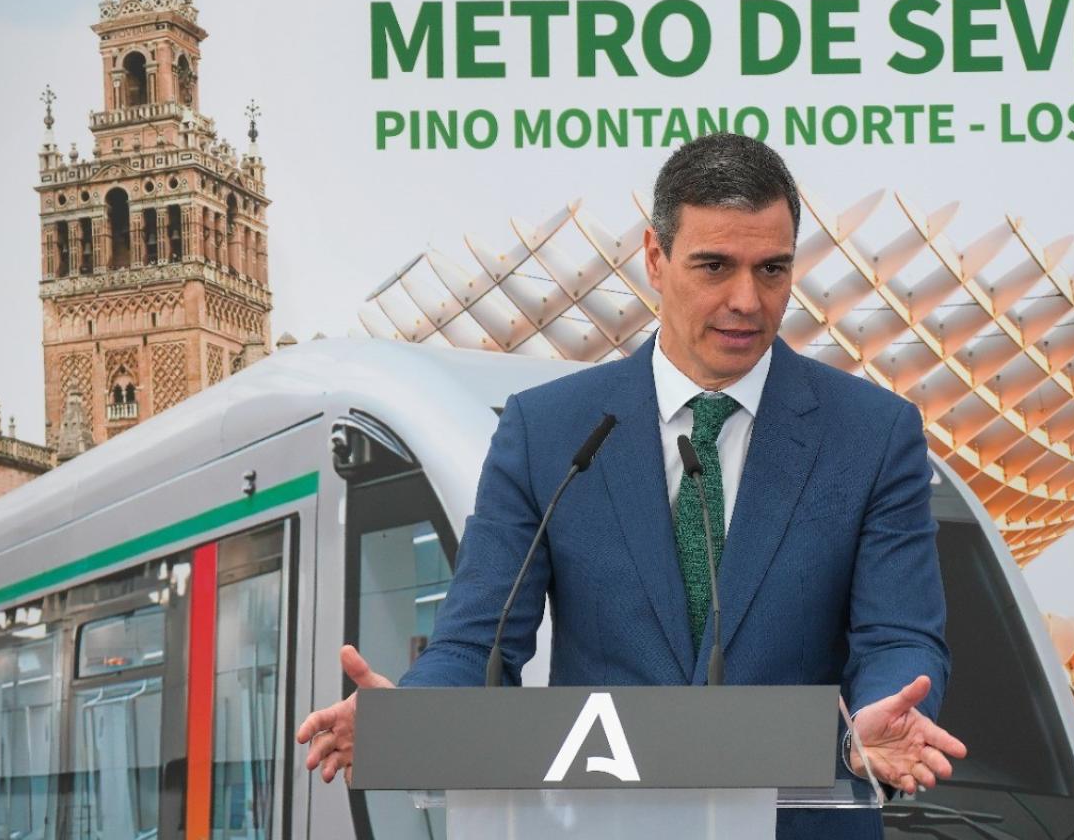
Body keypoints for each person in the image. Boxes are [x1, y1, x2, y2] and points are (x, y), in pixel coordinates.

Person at [296, 133, 966, 839]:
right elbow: (476, 644)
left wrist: (875, 717)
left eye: (772, 270)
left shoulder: (872, 433)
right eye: (714, 266)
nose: (747, 300)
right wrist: (416, 718)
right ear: (655, 256)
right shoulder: (549, 431)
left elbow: (899, 635)